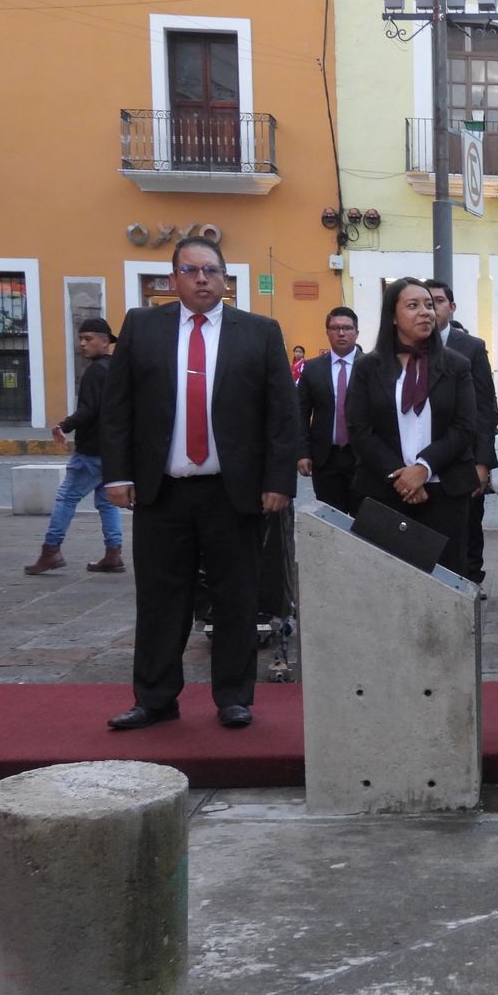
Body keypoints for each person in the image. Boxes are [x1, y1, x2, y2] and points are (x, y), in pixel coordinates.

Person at [100, 234, 299, 730]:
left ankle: (233, 696)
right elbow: (118, 407)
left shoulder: (259, 332)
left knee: (237, 597)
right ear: (173, 280)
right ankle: (155, 698)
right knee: (160, 598)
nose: (202, 278)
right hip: (161, 490)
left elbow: (282, 416)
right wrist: (117, 475)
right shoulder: (142, 328)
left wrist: (279, 481)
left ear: (226, 279)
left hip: (232, 492)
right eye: (190, 270)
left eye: (211, 270)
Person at [346, 278, 478, 577]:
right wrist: (400, 476)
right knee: (387, 581)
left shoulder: (456, 365)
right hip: (384, 491)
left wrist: (423, 468)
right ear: (393, 316)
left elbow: (464, 426)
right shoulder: (369, 366)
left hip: (444, 493)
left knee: (445, 583)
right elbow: (360, 428)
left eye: (429, 305)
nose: (425, 312)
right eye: (413, 305)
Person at [24, 317, 124, 576]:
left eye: (89, 338)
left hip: (91, 449)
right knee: (106, 502)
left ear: (105, 341)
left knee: (66, 498)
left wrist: (64, 425)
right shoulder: (114, 368)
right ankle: (113, 554)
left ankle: (51, 550)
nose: (82, 343)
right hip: (111, 450)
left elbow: (89, 410)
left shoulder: (95, 372)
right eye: (81, 338)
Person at [425, 279, 498, 591]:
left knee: (468, 525)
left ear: (451, 307)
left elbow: (486, 409)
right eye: (424, 303)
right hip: (419, 462)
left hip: (463, 458)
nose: (431, 309)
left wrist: (482, 463)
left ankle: (470, 581)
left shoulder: (471, 348)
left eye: (438, 302)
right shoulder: (402, 348)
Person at [296, 306, 362, 515]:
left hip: (362, 458)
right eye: (335, 328)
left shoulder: (372, 366)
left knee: (365, 522)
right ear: (327, 332)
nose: (341, 333)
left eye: (347, 328)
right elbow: (301, 413)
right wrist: (302, 452)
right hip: (326, 457)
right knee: (332, 521)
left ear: (356, 332)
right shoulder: (312, 368)